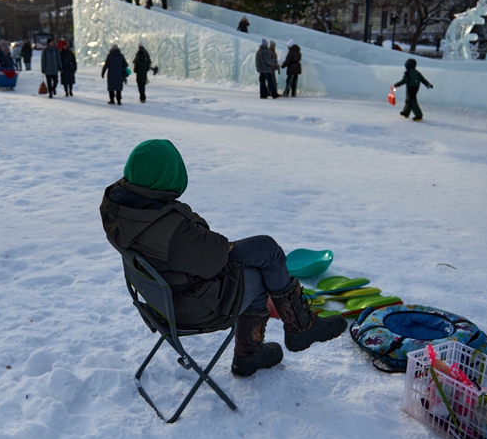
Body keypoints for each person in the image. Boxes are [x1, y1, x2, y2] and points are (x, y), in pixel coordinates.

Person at [100, 139, 347, 377]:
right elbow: (214, 257)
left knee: (265, 250)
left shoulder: (123, 209)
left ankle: (265, 345)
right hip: (192, 305)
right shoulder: (170, 231)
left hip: (165, 296)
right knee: (263, 267)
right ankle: (282, 337)